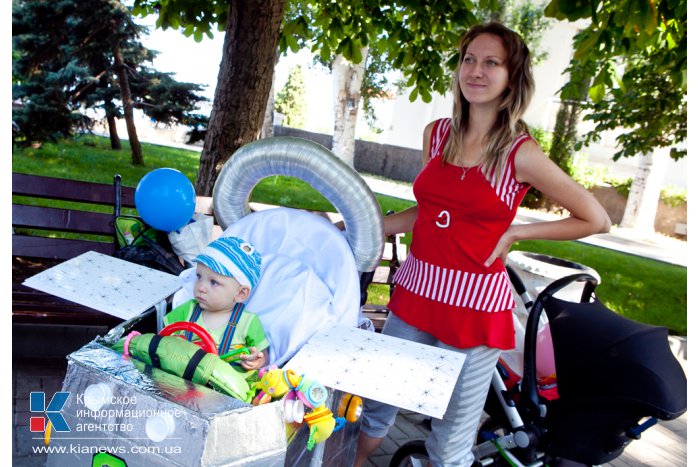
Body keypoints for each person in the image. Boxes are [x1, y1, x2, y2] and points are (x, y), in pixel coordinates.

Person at [352, 22, 611, 467]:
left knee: (450, 438)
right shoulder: (436, 134)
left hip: (475, 311)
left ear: (512, 77)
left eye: (491, 62)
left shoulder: (520, 153)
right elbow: (430, 211)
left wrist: (516, 233)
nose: (476, 70)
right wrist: (360, 225)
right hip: (415, 294)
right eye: (469, 59)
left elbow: (596, 218)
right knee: (378, 407)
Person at [163, 235, 270, 374]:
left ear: (241, 293)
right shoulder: (186, 311)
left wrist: (257, 361)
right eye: (199, 276)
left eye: (214, 282)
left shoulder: (249, 322)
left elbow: (264, 357)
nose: (201, 287)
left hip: (225, 389)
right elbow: (162, 339)